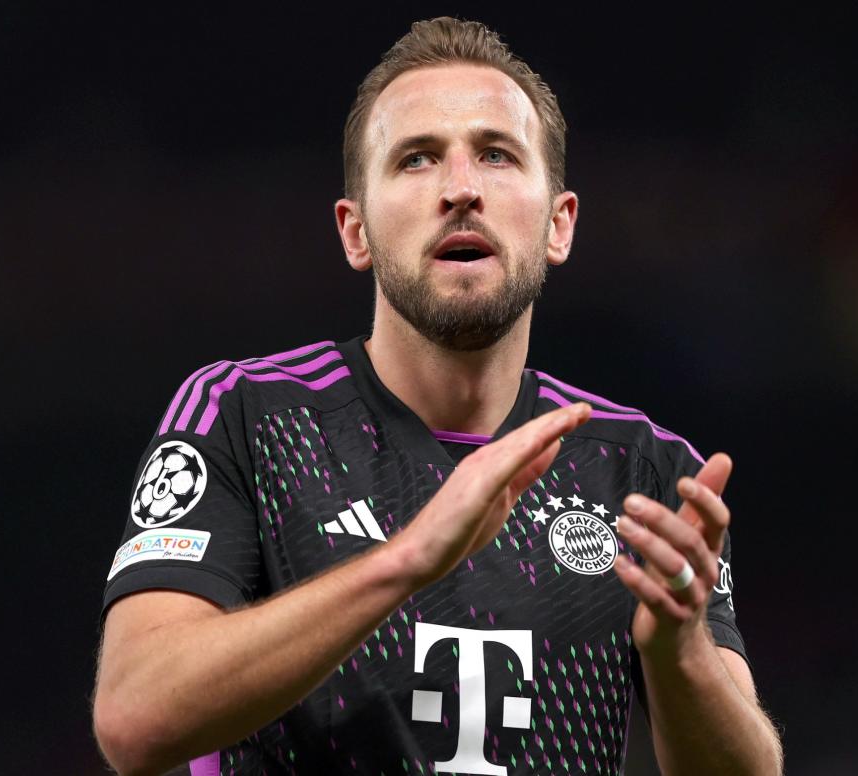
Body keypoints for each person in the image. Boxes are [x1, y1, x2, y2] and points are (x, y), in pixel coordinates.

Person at [93, 17, 782, 776]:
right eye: (416, 160)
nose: (460, 190)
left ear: (559, 224)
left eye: (495, 154)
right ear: (355, 233)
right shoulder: (246, 416)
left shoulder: (643, 474)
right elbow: (135, 717)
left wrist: (679, 651)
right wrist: (409, 560)